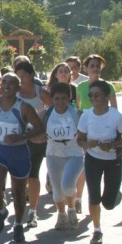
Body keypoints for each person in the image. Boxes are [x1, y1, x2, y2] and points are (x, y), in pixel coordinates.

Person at [0, 72, 44, 244]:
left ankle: (17, 224)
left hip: (18, 154)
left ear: (17, 88)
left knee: (18, 193)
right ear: (1, 85)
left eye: (11, 84)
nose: (7, 86)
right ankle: (1, 210)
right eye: (5, 83)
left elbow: (40, 128)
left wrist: (22, 136)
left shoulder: (23, 107)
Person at [76, 80, 122, 244]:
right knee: (93, 196)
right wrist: (87, 144)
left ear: (106, 97)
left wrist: (112, 144)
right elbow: (79, 139)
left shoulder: (115, 116)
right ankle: (97, 230)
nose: (94, 98)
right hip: (93, 159)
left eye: (97, 95)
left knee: (108, 203)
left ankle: (114, 196)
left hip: (113, 159)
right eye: (91, 95)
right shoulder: (86, 115)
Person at [75, 54, 117, 214]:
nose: (95, 69)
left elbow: (114, 109)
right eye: (92, 66)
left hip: (104, 130)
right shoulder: (81, 87)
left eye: (97, 66)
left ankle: (108, 193)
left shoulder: (108, 86)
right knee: (85, 165)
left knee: (100, 165)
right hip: (86, 130)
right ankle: (79, 198)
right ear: (87, 68)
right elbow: (78, 108)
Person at [14, 60, 52, 230]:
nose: (21, 79)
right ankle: (19, 210)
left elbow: (56, 108)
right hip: (19, 138)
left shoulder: (40, 92)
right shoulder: (14, 92)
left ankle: (33, 211)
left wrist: (46, 131)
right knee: (19, 176)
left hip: (37, 137)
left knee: (33, 174)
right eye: (18, 76)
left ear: (31, 75)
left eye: (24, 75)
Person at [44, 82, 84, 231]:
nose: (60, 102)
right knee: (57, 189)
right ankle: (61, 215)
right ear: (52, 99)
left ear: (69, 98)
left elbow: (86, 133)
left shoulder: (76, 114)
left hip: (74, 154)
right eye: (56, 99)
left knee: (67, 185)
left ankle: (71, 209)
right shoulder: (47, 114)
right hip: (53, 155)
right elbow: (39, 131)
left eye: (63, 98)